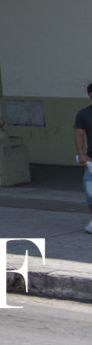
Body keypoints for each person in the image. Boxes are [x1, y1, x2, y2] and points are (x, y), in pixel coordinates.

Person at [75, 80, 92, 233]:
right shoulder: (84, 114)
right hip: (91, 161)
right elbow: (79, 134)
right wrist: (81, 154)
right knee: (90, 192)